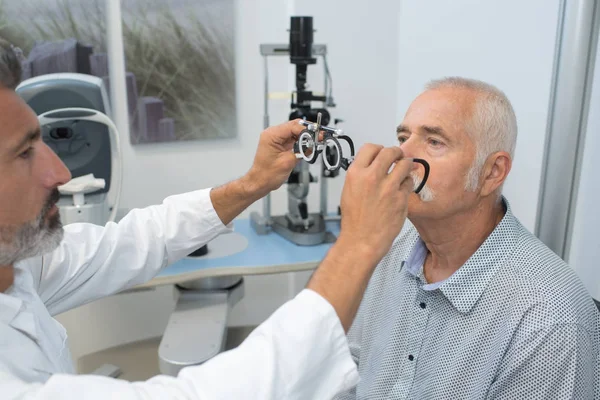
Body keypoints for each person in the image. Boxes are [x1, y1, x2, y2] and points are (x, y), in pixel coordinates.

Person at [0, 39, 416, 398]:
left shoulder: (18, 267)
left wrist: (252, 184)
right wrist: (358, 245)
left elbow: (133, 241)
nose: (61, 173)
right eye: (24, 153)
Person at [333, 77, 600, 400]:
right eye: (403, 137)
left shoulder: (548, 319)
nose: (401, 156)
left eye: (434, 142)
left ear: (492, 173)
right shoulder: (389, 248)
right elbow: (352, 367)